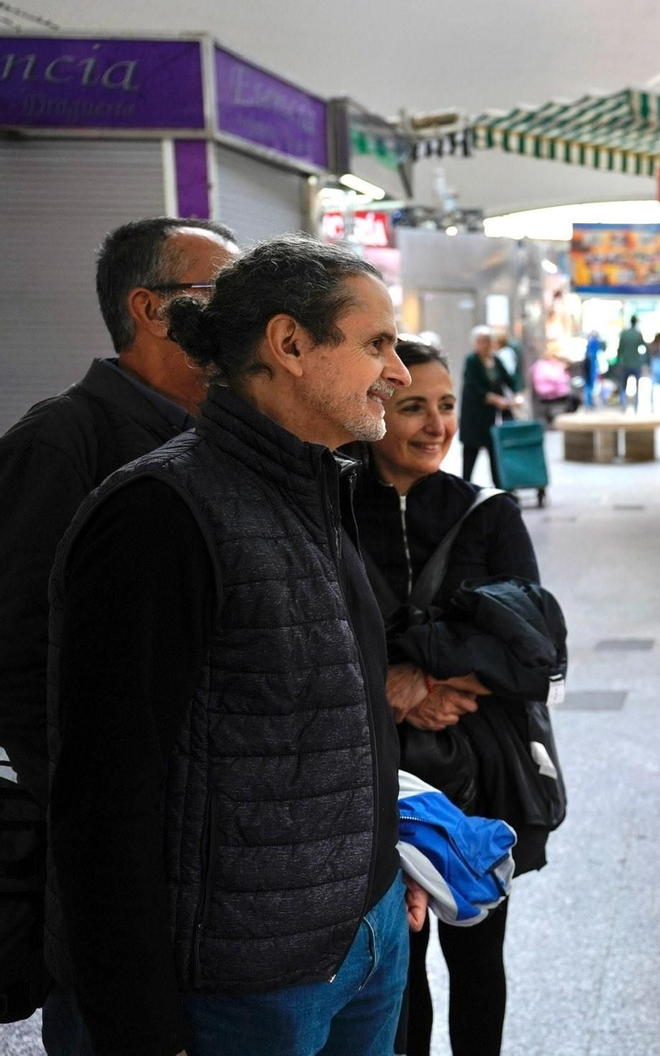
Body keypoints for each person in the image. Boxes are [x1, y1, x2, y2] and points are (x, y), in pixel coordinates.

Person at [47, 235, 423, 1055]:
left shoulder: (319, 488)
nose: (397, 373)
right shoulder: (160, 514)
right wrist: (142, 1025)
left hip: (365, 939)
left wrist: (382, 869)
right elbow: (102, 795)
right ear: (290, 344)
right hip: (242, 988)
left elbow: (333, 720)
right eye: (376, 344)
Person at [0, 216, 238, 1044]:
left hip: (217, 870)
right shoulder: (62, 442)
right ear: (150, 308)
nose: (238, 314)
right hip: (118, 871)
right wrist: (103, 824)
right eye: (217, 293)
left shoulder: (220, 439)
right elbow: (21, 663)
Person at [351, 338, 545, 1056]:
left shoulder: (488, 513)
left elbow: (535, 653)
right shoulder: (332, 509)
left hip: (475, 775)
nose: (436, 425)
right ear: (374, 408)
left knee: (477, 954)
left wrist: (423, 682)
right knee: (394, 967)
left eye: (446, 405)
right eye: (413, 407)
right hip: (373, 776)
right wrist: (388, 691)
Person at [460, 325, 517, 486]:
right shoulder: (472, 361)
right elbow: (473, 387)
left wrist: (517, 394)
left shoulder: (496, 360)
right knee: (470, 456)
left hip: (491, 418)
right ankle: (465, 489)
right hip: (474, 417)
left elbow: (509, 380)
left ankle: (499, 488)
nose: (484, 345)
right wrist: (496, 400)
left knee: (495, 455)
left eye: (487, 341)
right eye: (480, 341)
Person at [615, 315, 647, 410]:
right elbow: (644, 347)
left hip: (625, 363)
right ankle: (636, 403)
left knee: (623, 385)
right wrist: (644, 361)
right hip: (636, 363)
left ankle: (623, 404)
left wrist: (618, 363)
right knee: (637, 385)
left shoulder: (624, 334)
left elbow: (619, 350)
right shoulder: (638, 334)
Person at [583, 331, 605, 407]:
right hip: (591, 363)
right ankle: (588, 402)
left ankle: (588, 402)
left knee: (588, 383)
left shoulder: (590, 341)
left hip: (588, 363)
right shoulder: (595, 342)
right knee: (590, 384)